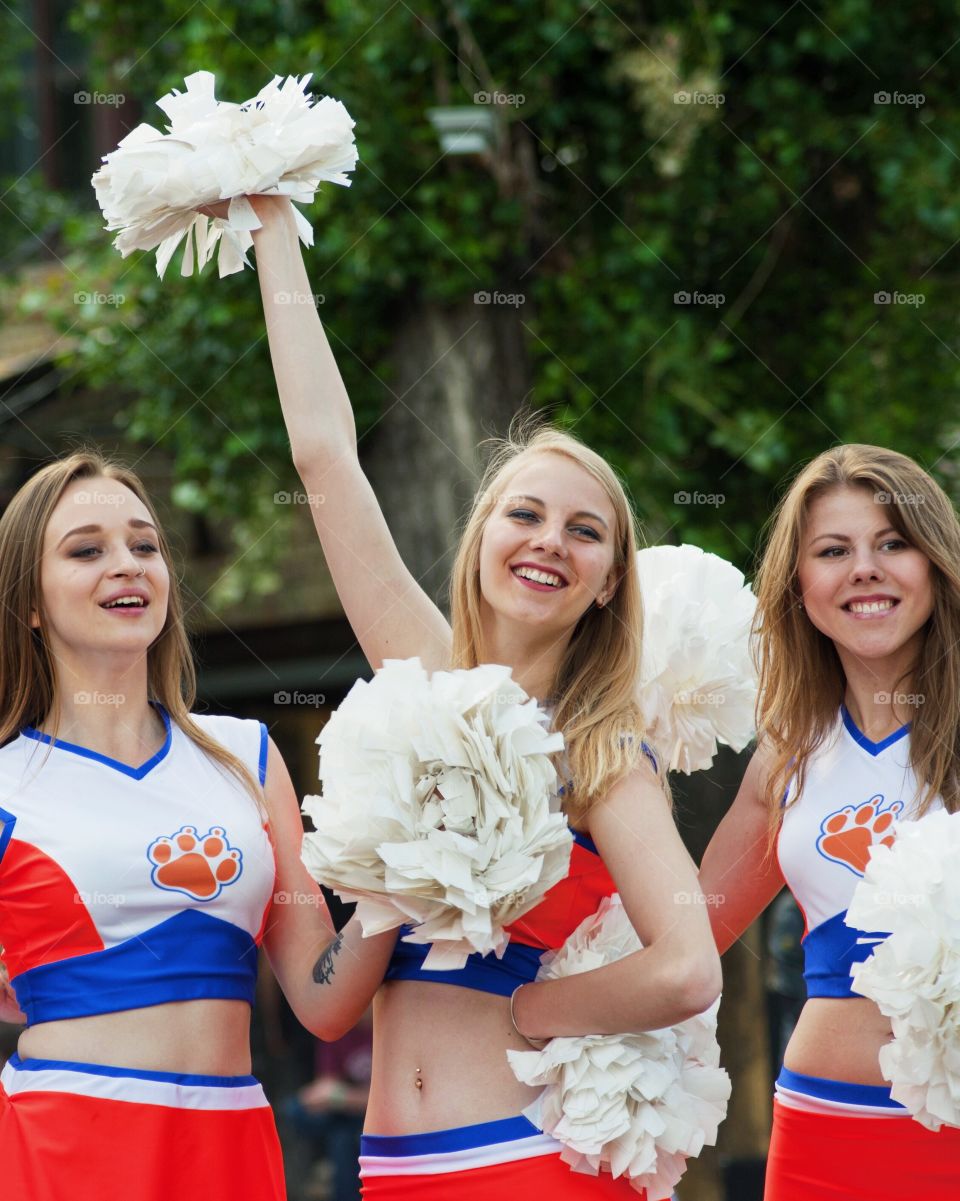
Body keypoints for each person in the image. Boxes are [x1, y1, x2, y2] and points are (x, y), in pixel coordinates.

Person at [246, 194, 722, 1198]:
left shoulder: (603, 750)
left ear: (608, 582)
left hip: (521, 1162)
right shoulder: (420, 677)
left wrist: (530, 1013)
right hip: (390, 1169)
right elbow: (324, 457)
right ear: (482, 536)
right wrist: (272, 222)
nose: (550, 540)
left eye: (585, 532)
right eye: (526, 513)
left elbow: (687, 966)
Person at [0, 451, 376, 1201]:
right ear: (30, 603)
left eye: (144, 545)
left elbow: (325, 1003)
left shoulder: (247, 756)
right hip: (63, 1145)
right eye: (86, 550)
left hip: (231, 1144)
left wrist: (409, 874)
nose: (127, 564)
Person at [700, 444, 960, 1200]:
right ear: (800, 584)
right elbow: (689, 931)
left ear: (935, 562)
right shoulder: (789, 752)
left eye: (893, 543)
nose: (865, 570)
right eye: (834, 551)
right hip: (822, 1136)